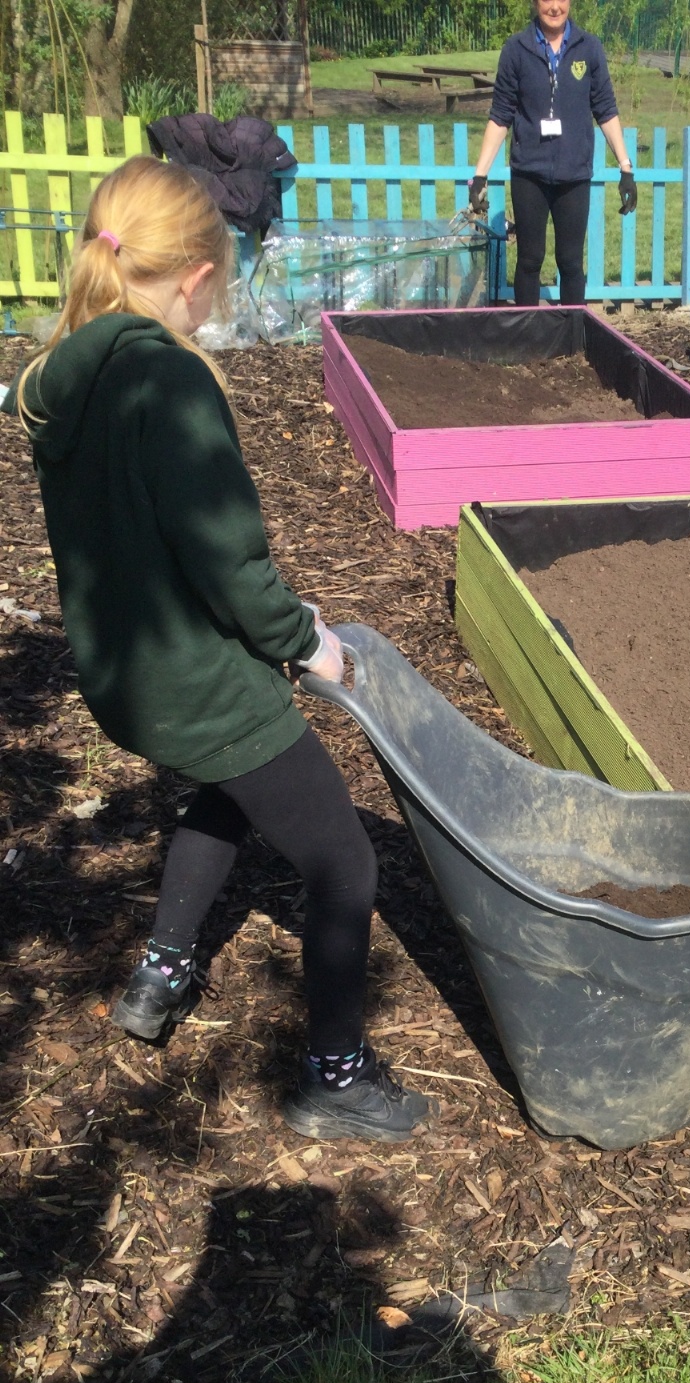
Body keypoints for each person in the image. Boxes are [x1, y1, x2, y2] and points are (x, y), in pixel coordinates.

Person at [4, 156, 433, 1146]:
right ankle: (334, 1078)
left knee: (228, 787)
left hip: (125, 672)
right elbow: (227, 559)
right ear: (197, 276)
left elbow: (142, 542)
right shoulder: (168, 383)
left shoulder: (63, 377)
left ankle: (160, 974)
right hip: (194, 680)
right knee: (344, 863)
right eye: (220, 287)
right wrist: (305, 641)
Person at [467, 0, 637, 306]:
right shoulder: (516, 49)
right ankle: (528, 331)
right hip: (529, 174)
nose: (555, 7)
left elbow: (606, 110)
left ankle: (572, 334)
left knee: (570, 262)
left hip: (574, 174)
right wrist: (480, 175)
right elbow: (501, 115)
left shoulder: (589, 48)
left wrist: (626, 168)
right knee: (529, 260)